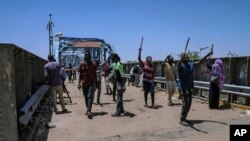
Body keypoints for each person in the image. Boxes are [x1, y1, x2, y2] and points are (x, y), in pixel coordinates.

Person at [177, 50, 213, 126]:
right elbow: (178, 65)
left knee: (189, 103)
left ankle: (184, 117)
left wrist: (207, 54)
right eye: (184, 57)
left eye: (186, 57)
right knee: (185, 103)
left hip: (189, 87)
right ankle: (182, 119)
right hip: (182, 87)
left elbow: (200, 61)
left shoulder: (191, 64)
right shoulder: (180, 65)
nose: (186, 58)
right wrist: (181, 59)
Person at [78, 51, 97, 119]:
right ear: (84, 56)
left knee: (89, 96)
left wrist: (96, 83)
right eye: (86, 55)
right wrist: (79, 84)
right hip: (84, 83)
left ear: (90, 56)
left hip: (91, 83)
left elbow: (95, 74)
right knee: (85, 97)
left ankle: (89, 111)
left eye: (88, 55)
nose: (87, 56)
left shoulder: (93, 64)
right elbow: (80, 75)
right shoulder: (81, 64)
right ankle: (88, 109)